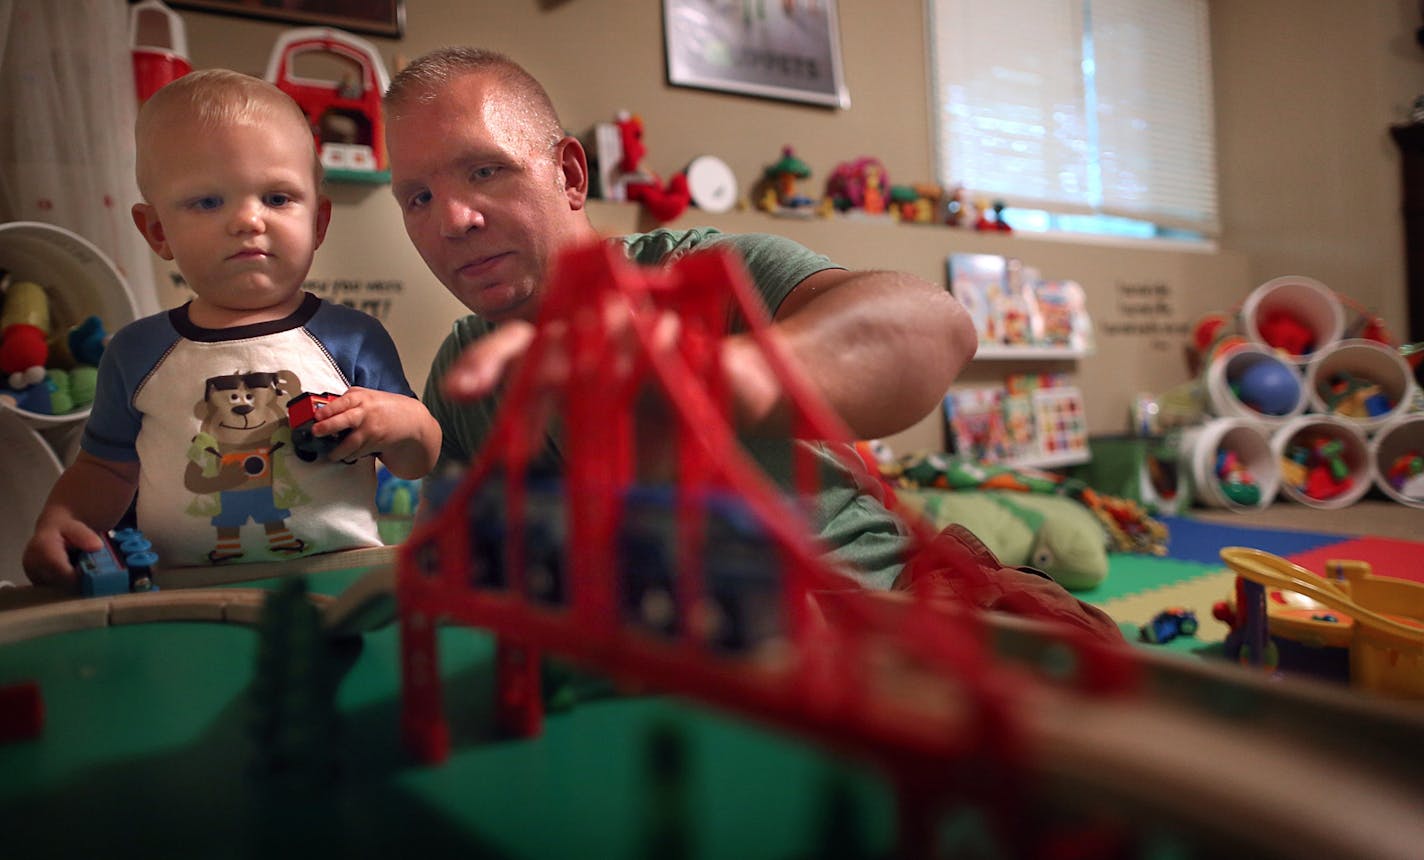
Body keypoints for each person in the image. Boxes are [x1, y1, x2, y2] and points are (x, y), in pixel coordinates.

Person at [383, 48, 1118, 640]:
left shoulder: (698, 274)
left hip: (889, 614)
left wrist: (723, 376)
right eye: (416, 197)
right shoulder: (463, 371)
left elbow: (936, 325)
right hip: (678, 666)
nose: (451, 220)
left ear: (570, 174)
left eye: (486, 171)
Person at [23, 70, 441, 587]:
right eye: (207, 202)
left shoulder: (355, 338)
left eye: (277, 198)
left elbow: (417, 461)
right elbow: (107, 470)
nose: (248, 220)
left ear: (319, 223)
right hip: (180, 591)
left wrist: (404, 423)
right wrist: (63, 522)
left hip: (339, 581)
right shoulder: (136, 352)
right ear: (157, 231)